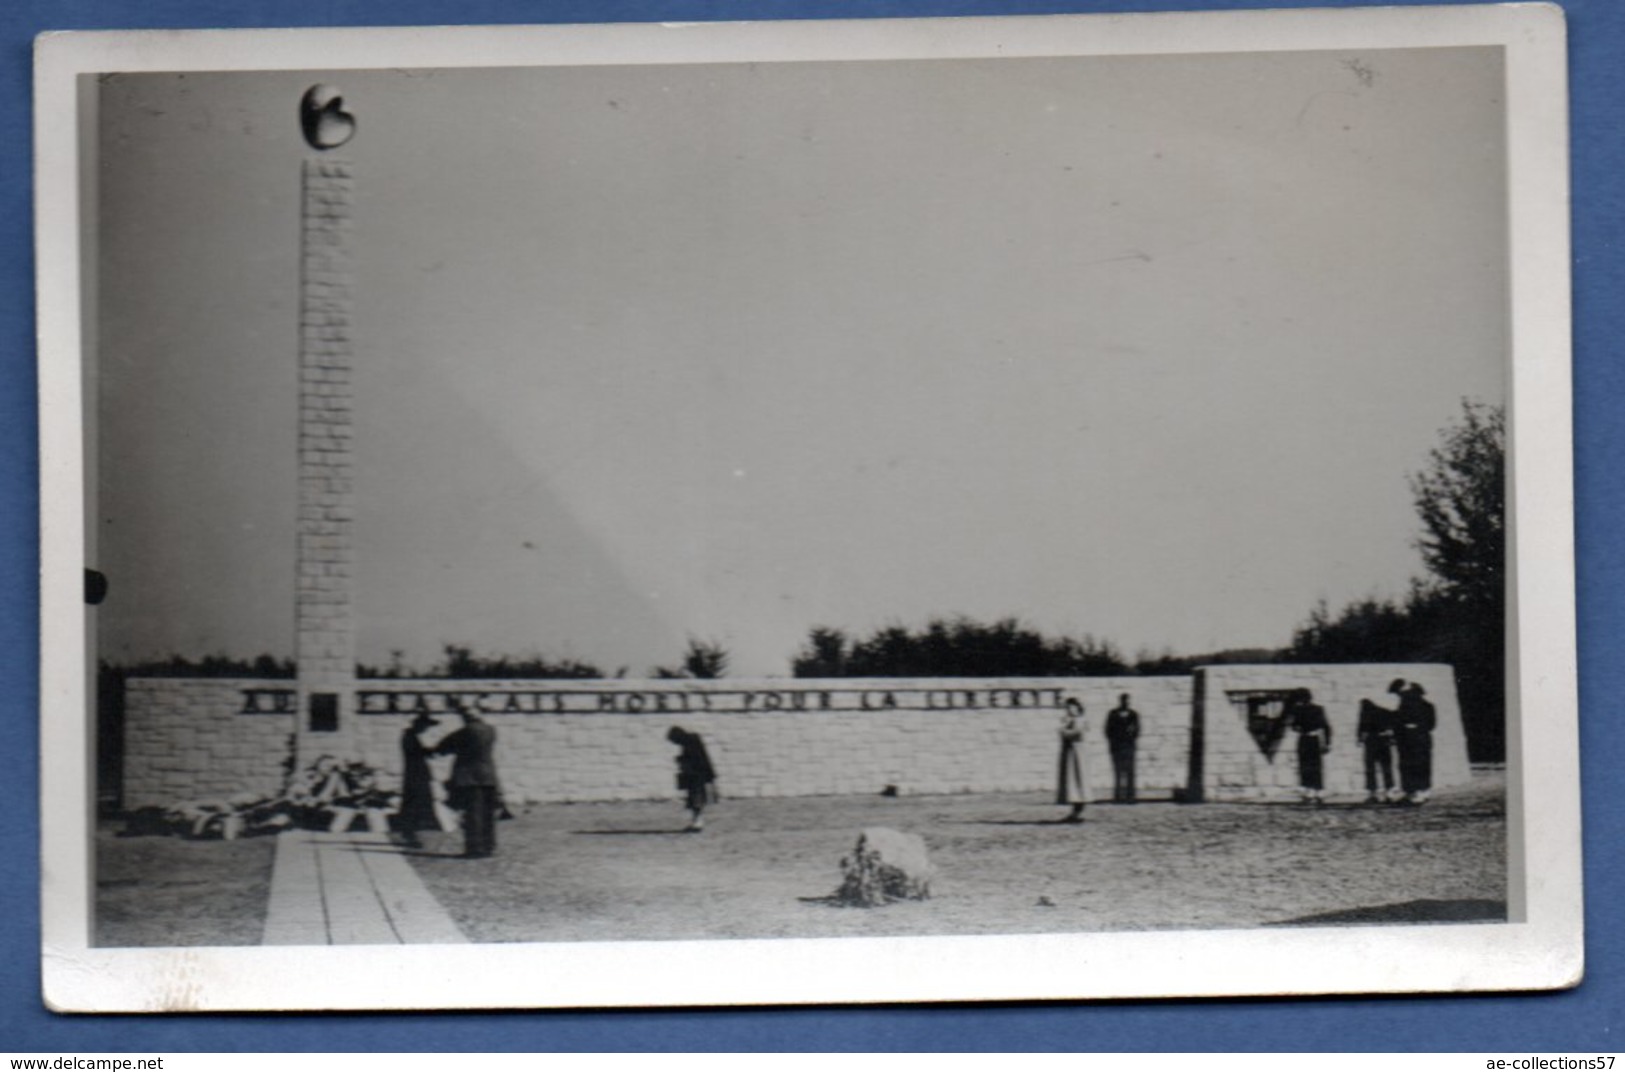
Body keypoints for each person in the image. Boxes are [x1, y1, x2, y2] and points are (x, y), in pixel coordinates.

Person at [434, 698, 501, 857]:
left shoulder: (464, 732)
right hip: (488, 776)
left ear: (465, 718)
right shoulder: (491, 730)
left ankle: (475, 848)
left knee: (473, 814)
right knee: (487, 814)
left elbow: (443, 748)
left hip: (470, 778)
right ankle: (488, 846)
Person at [395, 711, 441, 848]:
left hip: (417, 775)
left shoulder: (412, 736)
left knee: (414, 805)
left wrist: (431, 750)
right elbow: (416, 754)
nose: (426, 729)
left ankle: (410, 833)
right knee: (413, 806)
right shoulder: (409, 737)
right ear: (419, 725)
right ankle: (409, 835)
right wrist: (434, 750)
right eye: (425, 726)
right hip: (414, 777)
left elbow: (420, 752)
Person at [1392, 679, 1437, 805]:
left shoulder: (1428, 707)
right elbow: (1398, 722)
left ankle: (1422, 790)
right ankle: (1410, 791)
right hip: (1406, 742)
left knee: (1420, 765)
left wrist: (1415, 728)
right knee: (1406, 766)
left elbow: (1431, 725)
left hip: (1420, 741)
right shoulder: (1403, 707)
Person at [667, 726, 717, 832]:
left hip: (696, 776)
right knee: (695, 799)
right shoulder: (691, 741)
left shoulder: (690, 742)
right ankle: (696, 821)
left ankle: (698, 822)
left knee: (696, 799)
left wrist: (682, 760)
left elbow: (695, 760)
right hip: (697, 776)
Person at [1287, 688, 1332, 806]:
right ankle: (1313, 792)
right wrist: (1327, 743)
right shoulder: (1315, 709)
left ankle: (1312, 792)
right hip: (1310, 739)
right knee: (1310, 765)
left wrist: (1326, 743)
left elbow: (1294, 726)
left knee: (1309, 765)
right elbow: (1326, 727)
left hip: (1307, 739)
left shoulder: (1301, 710)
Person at [1356, 697, 1399, 804]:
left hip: (1371, 742)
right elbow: (1394, 722)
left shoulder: (1365, 713)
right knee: (1386, 768)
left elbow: (1361, 728)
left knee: (1370, 768)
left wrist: (1359, 739)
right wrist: (1392, 737)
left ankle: (1373, 793)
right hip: (1384, 741)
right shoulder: (1384, 712)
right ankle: (1389, 793)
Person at [1104, 693, 1140, 803]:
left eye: (1127, 700)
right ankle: (1118, 796)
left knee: (1130, 771)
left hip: (1129, 746)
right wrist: (1114, 741)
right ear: (1120, 701)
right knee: (1118, 772)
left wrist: (1130, 737)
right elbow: (1108, 730)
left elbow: (1137, 730)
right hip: (1117, 747)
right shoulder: (1113, 714)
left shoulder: (1133, 714)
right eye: (1123, 700)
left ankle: (1130, 797)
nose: (1125, 703)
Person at [1056, 698, 1087, 822]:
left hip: (1076, 753)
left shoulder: (1080, 720)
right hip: (1071, 752)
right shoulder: (1070, 720)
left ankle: (1078, 808)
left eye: (1070, 707)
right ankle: (1075, 810)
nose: (1068, 710)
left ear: (1077, 707)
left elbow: (1077, 733)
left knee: (1077, 778)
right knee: (1071, 779)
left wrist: (1063, 730)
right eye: (1067, 708)